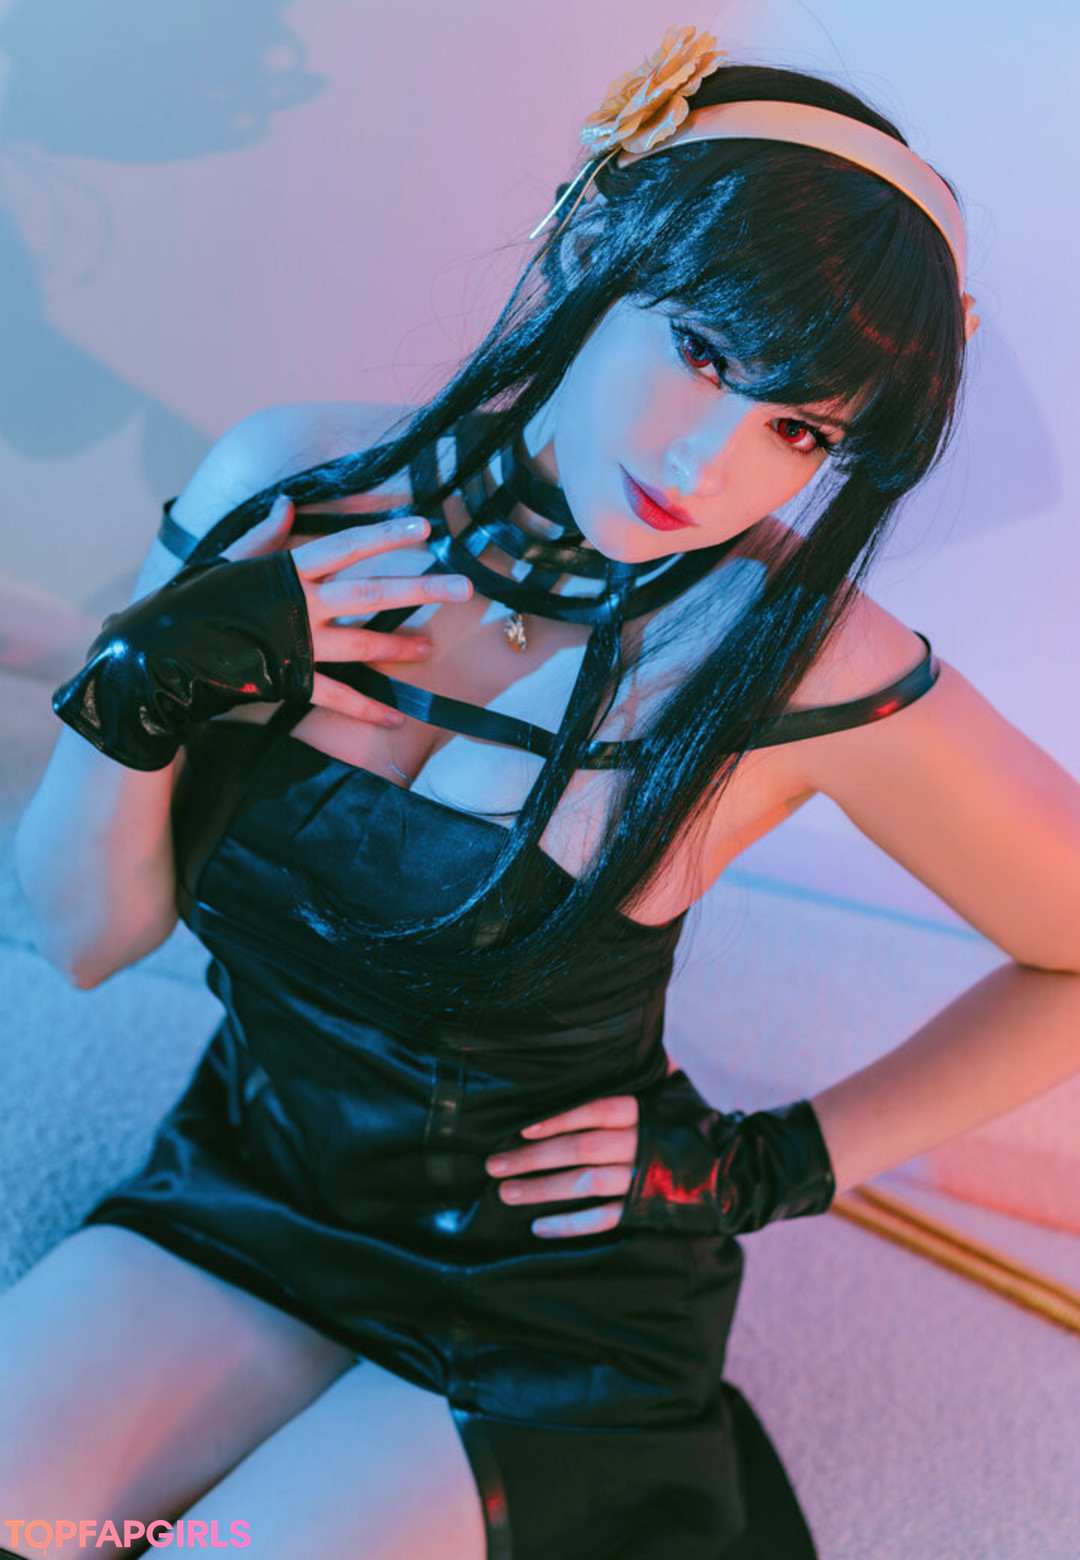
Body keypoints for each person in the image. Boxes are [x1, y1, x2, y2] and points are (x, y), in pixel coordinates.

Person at [8, 26, 1080, 1560]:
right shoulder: (290, 484)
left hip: (547, 1301)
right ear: (591, 245)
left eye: (801, 429)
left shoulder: (801, 662)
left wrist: (780, 1161)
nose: (709, 464)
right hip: (252, 1183)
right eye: (702, 349)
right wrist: (139, 686)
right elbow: (87, 940)